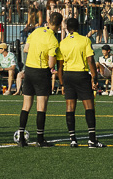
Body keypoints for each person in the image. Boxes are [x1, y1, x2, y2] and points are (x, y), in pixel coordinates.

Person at [17, 12, 62, 147]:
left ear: (48, 20)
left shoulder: (36, 31)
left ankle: (21, 137)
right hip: (41, 72)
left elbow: (25, 49)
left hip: (29, 70)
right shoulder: (53, 40)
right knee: (41, 107)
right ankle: (40, 139)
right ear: (59, 25)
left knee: (26, 106)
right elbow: (51, 64)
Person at [58, 17, 104, 148]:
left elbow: (59, 66)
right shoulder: (85, 40)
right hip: (81, 75)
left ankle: (73, 139)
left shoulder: (63, 43)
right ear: (78, 27)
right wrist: (94, 77)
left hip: (68, 75)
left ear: (67, 28)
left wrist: (61, 83)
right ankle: (92, 140)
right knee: (89, 106)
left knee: (70, 107)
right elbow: (90, 60)